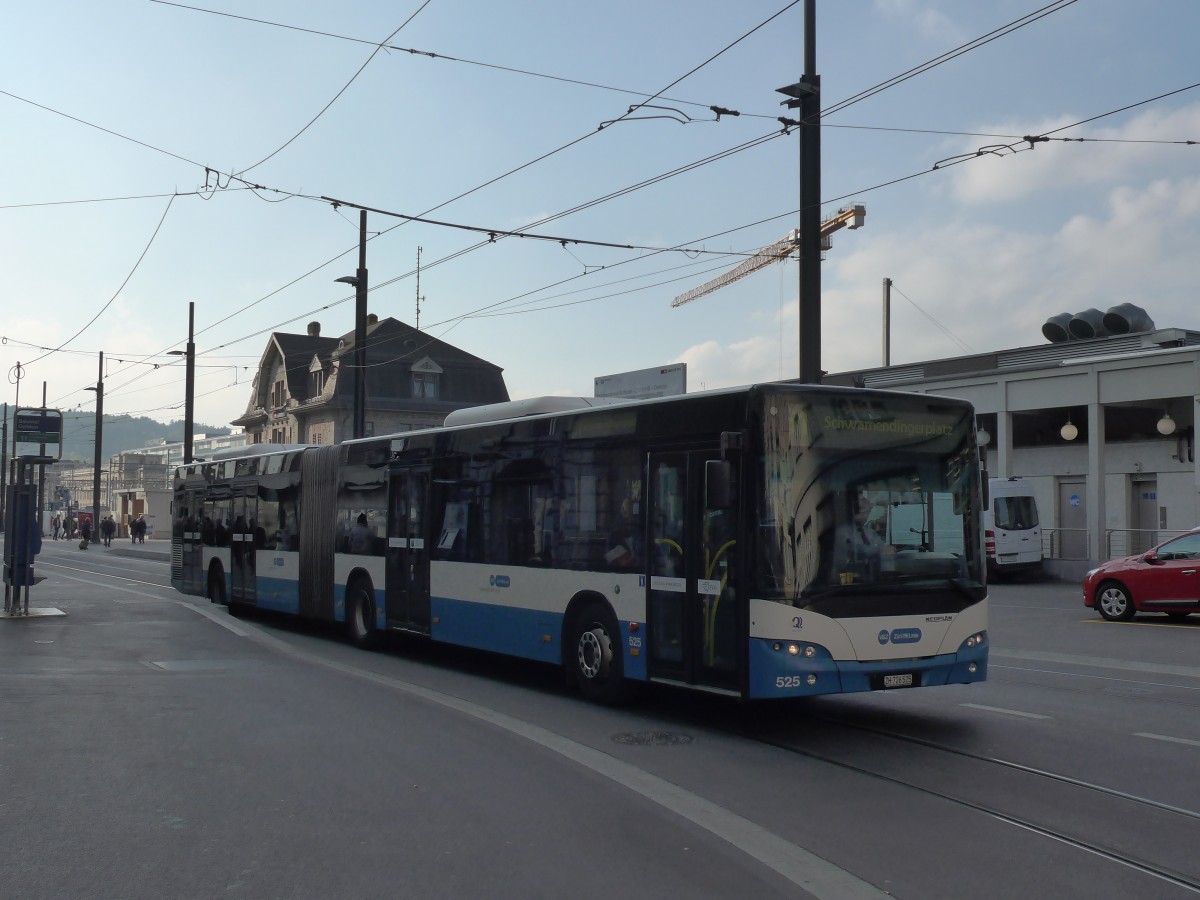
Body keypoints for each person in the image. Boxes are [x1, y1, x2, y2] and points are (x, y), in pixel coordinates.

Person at [832, 493, 894, 578]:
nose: (866, 515)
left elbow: (883, 548)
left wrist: (886, 550)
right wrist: (878, 551)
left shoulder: (869, 532)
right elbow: (854, 550)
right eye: (862, 510)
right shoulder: (843, 532)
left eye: (868, 512)